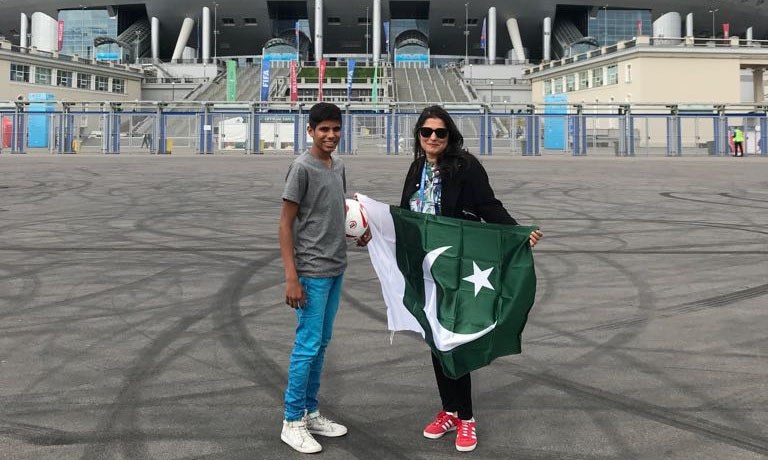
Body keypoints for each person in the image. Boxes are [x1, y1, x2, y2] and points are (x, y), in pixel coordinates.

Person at [399, 105, 542, 453]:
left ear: (451, 136)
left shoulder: (465, 166)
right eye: (427, 132)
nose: (433, 138)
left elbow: (487, 205)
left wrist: (517, 232)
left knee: (453, 339)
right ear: (419, 136)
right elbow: (405, 211)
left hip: (459, 268)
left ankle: (466, 418)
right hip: (428, 270)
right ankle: (448, 410)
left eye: (440, 132)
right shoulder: (417, 168)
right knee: (436, 339)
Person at [278, 102, 370, 454]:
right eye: (324, 130)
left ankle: (310, 411)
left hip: (336, 267)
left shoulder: (338, 166)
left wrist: (355, 233)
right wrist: (291, 277)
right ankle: (291, 420)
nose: (331, 135)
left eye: (336, 129)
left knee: (321, 343)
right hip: (311, 272)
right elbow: (286, 223)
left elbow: (334, 211)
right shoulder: (302, 168)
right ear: (310, 131)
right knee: (307, 346)